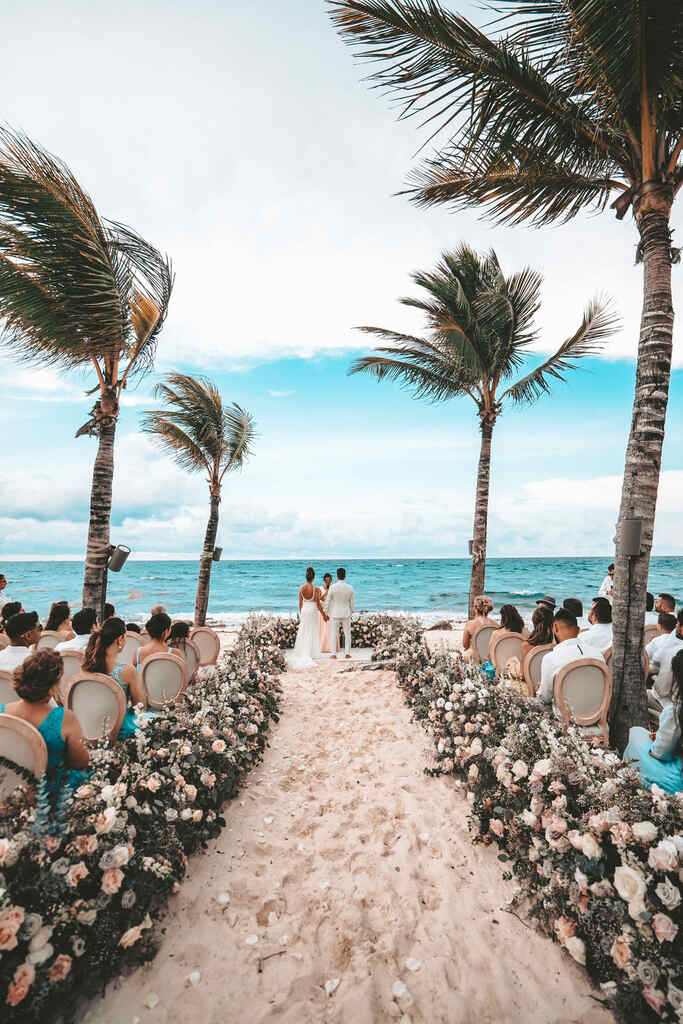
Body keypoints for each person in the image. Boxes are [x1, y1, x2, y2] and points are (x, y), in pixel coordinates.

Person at [0, 650, 89, 790]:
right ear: (53, 685)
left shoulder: (2, 712)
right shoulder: (65, 718)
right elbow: (80, 763)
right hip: (48, 795)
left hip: (7, 789)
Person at [623, 649, 683, 794]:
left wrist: (658, 743)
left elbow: (660, 753)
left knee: (636, 734)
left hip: (677, 779)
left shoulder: (676, 712)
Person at [82, 618, 148, 739]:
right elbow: (138, 706)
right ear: (119, 639)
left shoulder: (86, 667)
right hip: (119, 728)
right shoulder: (127, 671)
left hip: (91, 725)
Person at [536, 608, 604, 717]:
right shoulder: (597, 654)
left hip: (566, 718)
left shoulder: (551, 658)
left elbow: (545, 698)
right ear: (578, 630)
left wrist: (539, 689)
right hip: (595, 714)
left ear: (555, 628)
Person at [289, 567, 327, 669]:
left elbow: (300, 603)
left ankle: (302, 651)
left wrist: (301, 614)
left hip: (305, 611)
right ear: (313, 578)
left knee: (304, 630)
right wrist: (324, 615)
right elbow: (318, 604)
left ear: (306, 577)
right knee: (312, 630)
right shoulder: (316, 589)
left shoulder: (301, 588)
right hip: (312, 611)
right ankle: (312, 653)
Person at [646, 611, 683, 711]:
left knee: (640, 695)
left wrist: (655, 677)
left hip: (673, 709)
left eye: (678, 624)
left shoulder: (673, 652)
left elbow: (661, 691)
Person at [326, 568, 355, 660]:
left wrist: (326, 612)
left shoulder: (332, 587)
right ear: (345, 576)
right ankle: (347, 653)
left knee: (334, 634)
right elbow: (352, 603)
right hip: (346, 613)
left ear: (337, 576)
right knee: (347, 634)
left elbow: (328, 600)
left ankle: (334, 654)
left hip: (335, 613)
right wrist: (352, 612)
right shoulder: (350, 587)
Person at [319, 573, 334, 654]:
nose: (328, 581)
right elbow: (318, 600)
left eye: (329, 580)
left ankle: (331, 646)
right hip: (323, 611)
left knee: (330, 629)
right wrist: (325, 593)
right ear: (324, 580)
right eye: (326, 580)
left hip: (331, 610)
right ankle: (323, 646)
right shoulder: (320, 588)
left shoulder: (333, 588)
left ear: (331, 580)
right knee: (323, 629)